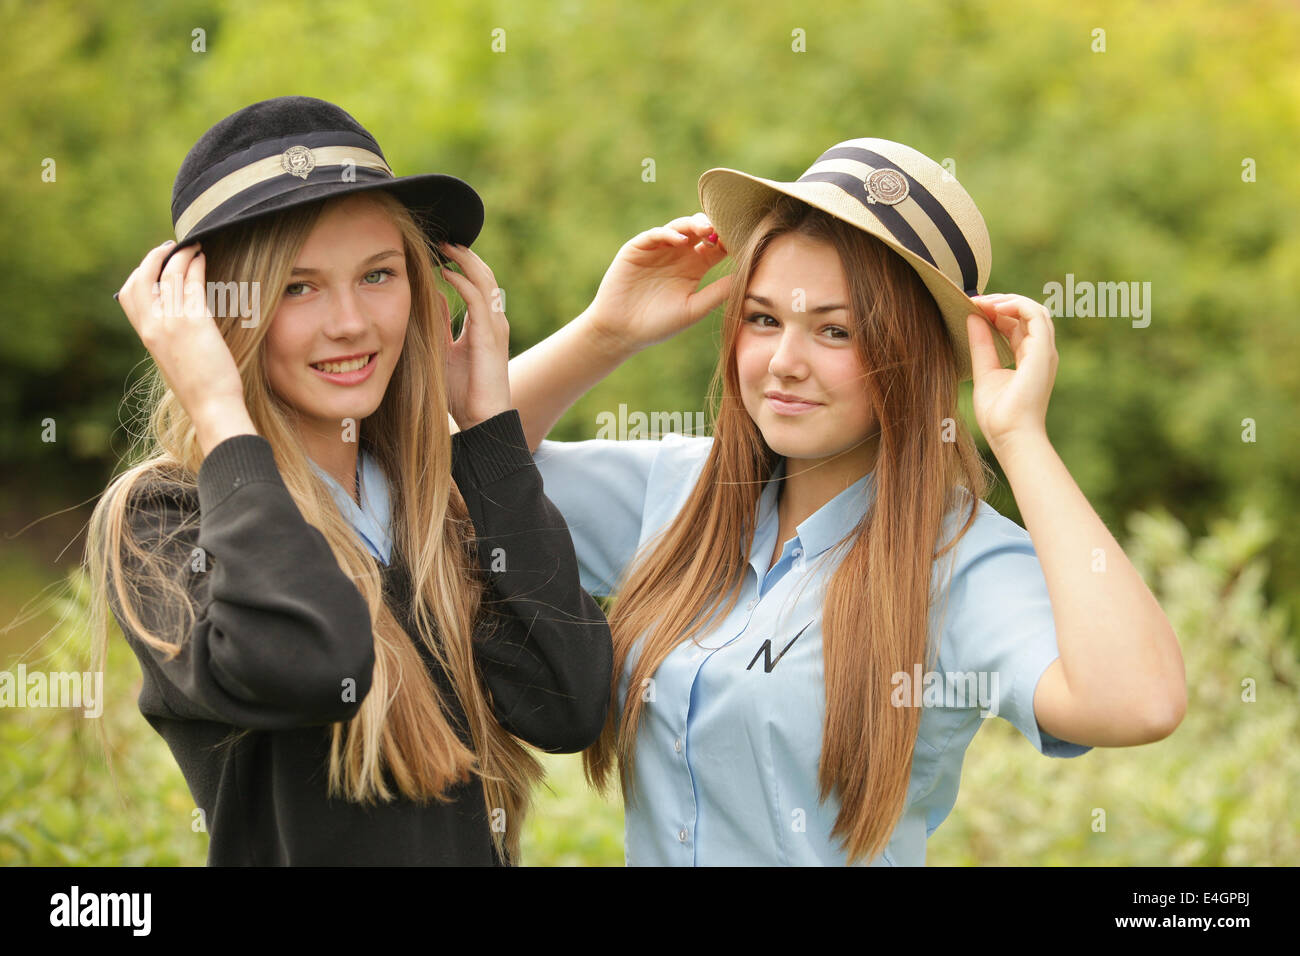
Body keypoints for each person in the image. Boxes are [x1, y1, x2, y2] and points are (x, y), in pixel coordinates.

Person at [507, 138, 1187, 865]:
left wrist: (1020, 437)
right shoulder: (680, 490)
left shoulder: (956, 560)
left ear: (912, 355)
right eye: (764, 319)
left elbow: (1138, 703)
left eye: (836, 331)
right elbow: (447, 472)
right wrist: (603, 335)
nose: (783, 364)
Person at [85, 96, 612, 866]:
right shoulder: (167, 518)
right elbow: (312, 662)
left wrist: (490, 432)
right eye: (297, 287)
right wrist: (219, 412)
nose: (351, 323)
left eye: (377, 275)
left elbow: (568, 703)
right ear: (214, 319)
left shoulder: (427, 502)